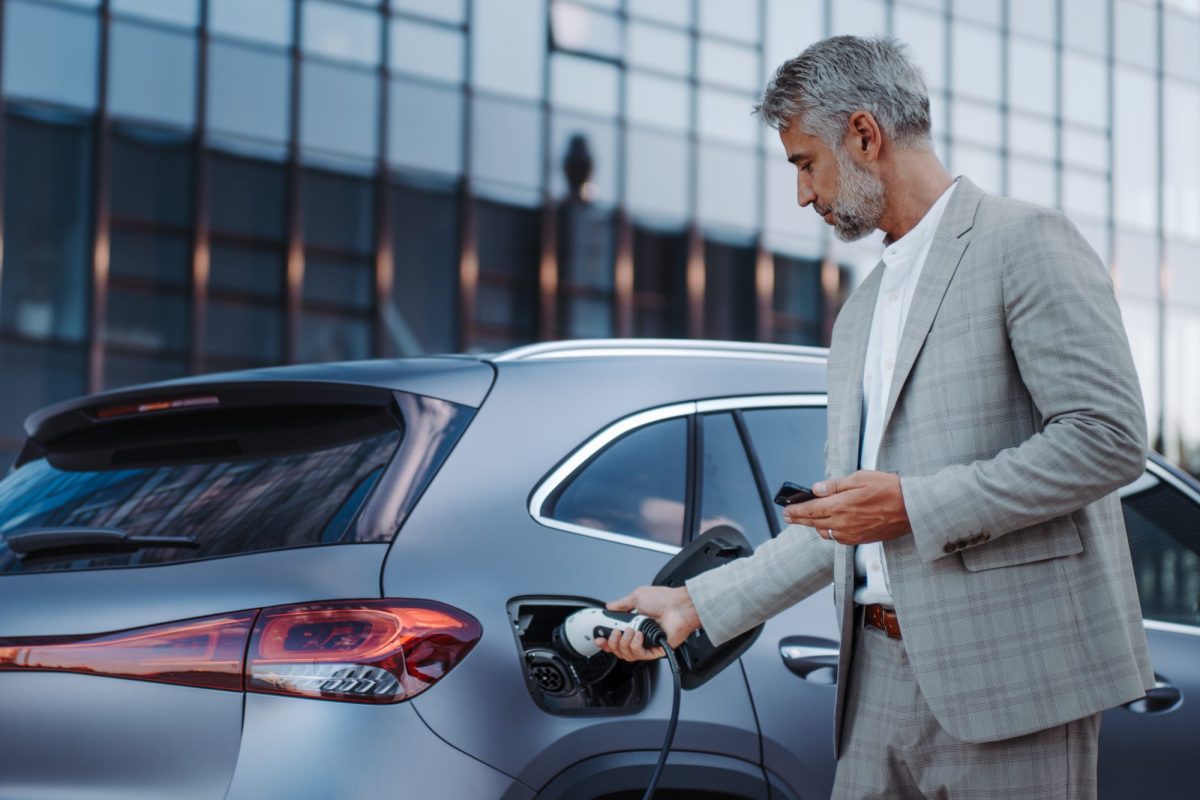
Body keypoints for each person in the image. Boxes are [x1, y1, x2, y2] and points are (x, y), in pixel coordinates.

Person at [596, 35, 1152, 800]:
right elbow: (842, 521)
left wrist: (912, 505)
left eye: (804, 163)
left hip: (1012, 679)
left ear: (864, 134)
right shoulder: (859, 313)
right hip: (873, 686)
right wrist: (695, 604)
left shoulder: (1025, 242)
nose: (802, 194)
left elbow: (1108, 440)